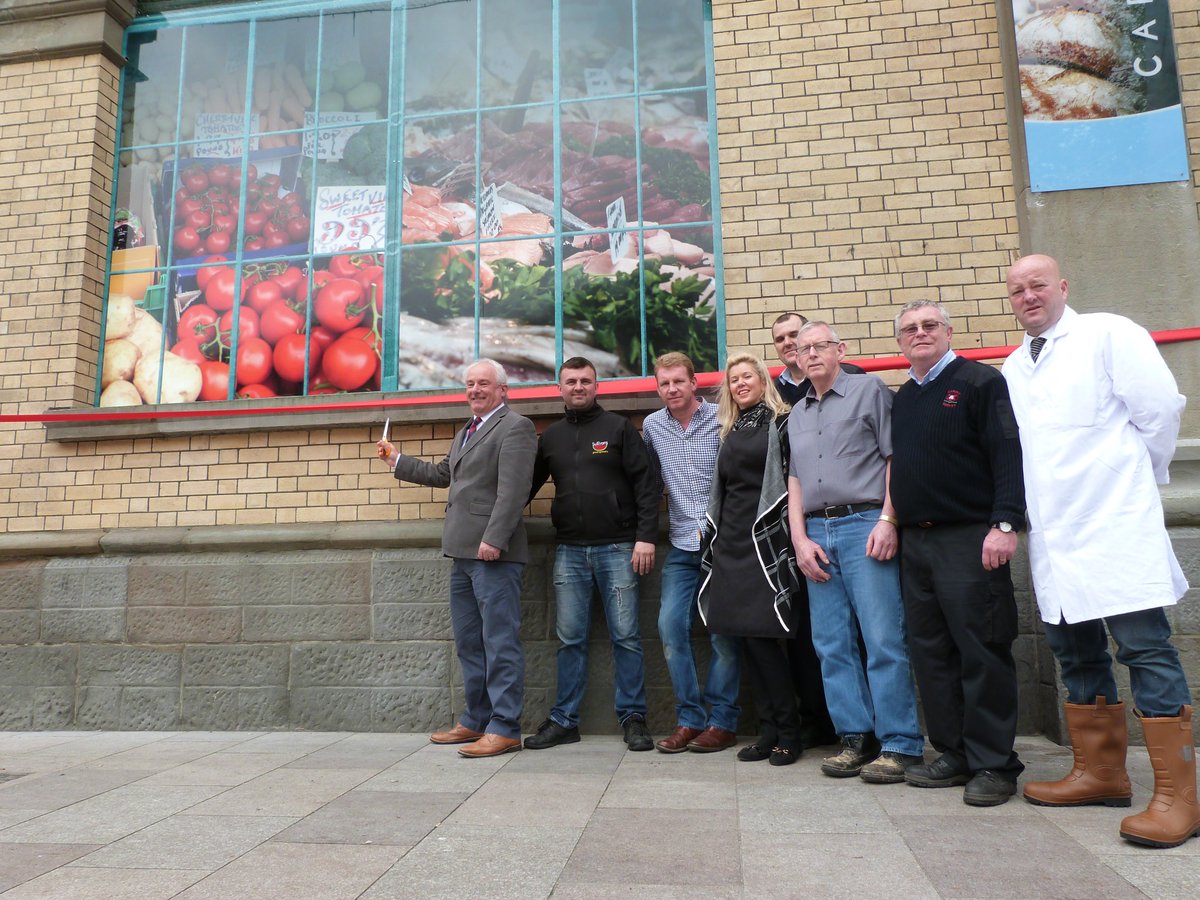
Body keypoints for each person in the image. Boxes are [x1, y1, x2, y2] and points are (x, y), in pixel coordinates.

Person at [1002, 254, 1197, 848]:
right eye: (1017, 290)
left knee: (1144, 647)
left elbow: (1160, 413)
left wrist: (1132, 473)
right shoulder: (1014, 365)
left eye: (1038, 285)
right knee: (1076, 651)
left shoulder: (1110, 333)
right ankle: (1101, 773)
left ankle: (1179, 799)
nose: (1028, 296)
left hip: (1115, 524)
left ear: (1062, 286)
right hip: (1056, 536)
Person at [890, 299, 1027, 806]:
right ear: (900, 341)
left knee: (982, 649)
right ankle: (954, 753)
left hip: (970, 537)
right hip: (917, 542)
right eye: (910, 329)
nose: (919, 333)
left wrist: (1006, 522)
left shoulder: (979, 382)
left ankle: (995, 763)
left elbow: (1007, 451)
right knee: (931, 653)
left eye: (929, 325)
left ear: (948, 332)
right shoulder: (904, 396)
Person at [786, 321, 925, 784]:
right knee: (831, 644)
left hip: (865, 524)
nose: (810, 355)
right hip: (816, 534)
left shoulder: (869, 390)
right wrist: (799, 539)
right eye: (803, 349)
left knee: (883, 637)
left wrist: (889, 519)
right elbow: (795, 481)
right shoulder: (797, 412)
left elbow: (894, 459)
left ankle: (900, 743)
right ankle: (854, 737)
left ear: (840, 349)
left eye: (820, 346)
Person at [376, 358, 536, 759]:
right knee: (470, 642)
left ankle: (505, 727)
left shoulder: (516, 427)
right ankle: (476, 719)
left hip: (492, 553)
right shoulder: (467, 430)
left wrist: (494, 539)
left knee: (499, 641)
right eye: (470, 384)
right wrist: (397, 460)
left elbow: (514, 491)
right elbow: (445, 473)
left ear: (503, 390)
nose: (475, 390)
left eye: (484, 383)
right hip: (461, 553)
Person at [524, 357, 659, 752]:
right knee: (570, 639)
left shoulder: (618, 428)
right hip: (569, 551)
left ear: (597, 386)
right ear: (560, 388)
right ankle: (565, 720)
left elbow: (646, 486)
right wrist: (488, 519)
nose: (578, 387)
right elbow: (523, 490)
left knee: (627, 637)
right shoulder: (550, 438)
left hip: (619, 548)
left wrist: (646, 537)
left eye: (585, 381)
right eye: (571, 381)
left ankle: (634, 718)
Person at [699, 353, 803, 766]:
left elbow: (792, 481)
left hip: (766, 542)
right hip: (732, 545)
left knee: (767, 640)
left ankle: (789, 734)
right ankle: (768, 732)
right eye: (734, 379)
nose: (740, 383)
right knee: (746, 640)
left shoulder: (783, 421)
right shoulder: (731, 428)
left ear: (762, 380)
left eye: (747, 376)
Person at [643, 352, 741, 753]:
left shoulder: (722, 418)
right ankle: (689, 718)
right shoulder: (652, 427)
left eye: (678, 381)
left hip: (722, 544)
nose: (671, 389)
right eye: (664, 383)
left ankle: (723, 721)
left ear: (693, 381)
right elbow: (647, 484)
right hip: (681, 543)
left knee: (723, 635)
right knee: (670, 628)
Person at [770, 311, 859, 746]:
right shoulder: (775, 394)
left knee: (859, 632)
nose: (792, 345)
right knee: (807, 632)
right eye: (783, 339)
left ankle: (869, 728)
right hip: (795, 528)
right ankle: (819, 721)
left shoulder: (853, 383)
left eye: (798, 337)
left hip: (853, 522)